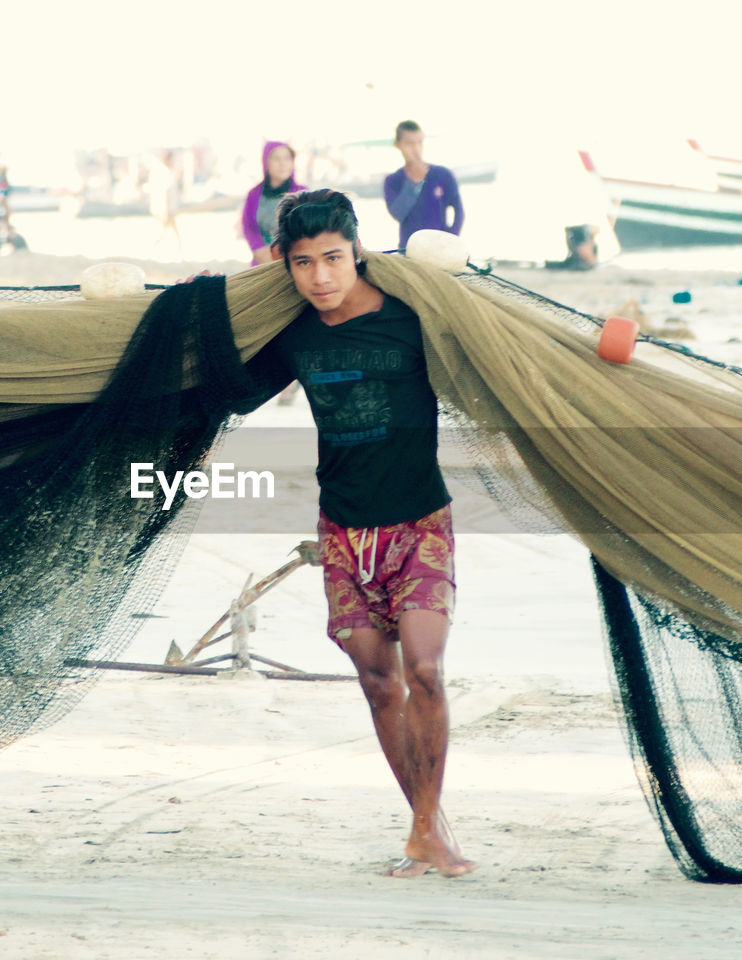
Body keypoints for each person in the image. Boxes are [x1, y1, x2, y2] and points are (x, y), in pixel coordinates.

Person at [249, 189, 475, 878]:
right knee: (380, 684)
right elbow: (224, 384)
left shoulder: (411, 320)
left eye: (333, 259)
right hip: (343, 531)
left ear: (357, 251)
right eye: (303, 264)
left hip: (418, 522)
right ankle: (427, 830)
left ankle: (426, 832)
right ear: (285, 267)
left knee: (426, 670)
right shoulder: (295, 335)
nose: (320, 277)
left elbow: (490, 357)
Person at [383, 120, 463, 251]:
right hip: (409, 250)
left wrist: (451, 241)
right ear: (398, 145)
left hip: (440, 249)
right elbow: (397, 214)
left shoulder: (442, 174)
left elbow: (459, 212)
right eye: (409, 144)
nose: (416, 149)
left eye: (419, 142)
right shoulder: (393, 180)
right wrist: (413, 184)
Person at [240, 140, 305, 265]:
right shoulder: (254, 194)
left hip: (294, 260)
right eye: (276, 158)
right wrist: (258, 249)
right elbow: (248, 226)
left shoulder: (302, 193)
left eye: (287, 158)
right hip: (262, 260)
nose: (282, 164)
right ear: (265, 161)